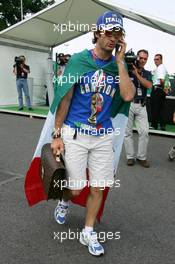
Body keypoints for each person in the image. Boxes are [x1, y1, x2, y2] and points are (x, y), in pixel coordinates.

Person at [51, 11, 135, 256]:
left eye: (117, 34)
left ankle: (87, 232)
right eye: (109, 32)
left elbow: (128, 96)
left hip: (103, 135)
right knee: (77, 188)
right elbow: (64, 99)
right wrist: (56, 135)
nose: (112, 38)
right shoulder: (78, 61)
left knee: (98, 188)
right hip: (75, 132)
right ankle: (65, 199)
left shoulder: (117, 66)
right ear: (97, 32)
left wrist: (120, 62)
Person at [124, 50, 152, 167]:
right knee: (127, 132)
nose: (143, 60)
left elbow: (149, 85)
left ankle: (141, 157)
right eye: (141, 58)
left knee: (144, 132)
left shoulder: (147, 72)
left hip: (142, 105)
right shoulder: (128, 69)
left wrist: (137, 74)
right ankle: (130, 157)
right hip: (129, 104)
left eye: (145, 59)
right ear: (136, 57)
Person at [150, 54, 168, 130]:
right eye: (154, 59)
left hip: (158, 89)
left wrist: (162, 87)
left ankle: (154, 125)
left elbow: (162, 80)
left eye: (157, 59)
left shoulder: (160, 68)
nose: (155, 61)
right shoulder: (162, 68)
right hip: (161, 90)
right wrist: (164, 89)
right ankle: (162, 125)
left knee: (155, 107)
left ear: (161, 60)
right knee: (161, 108)